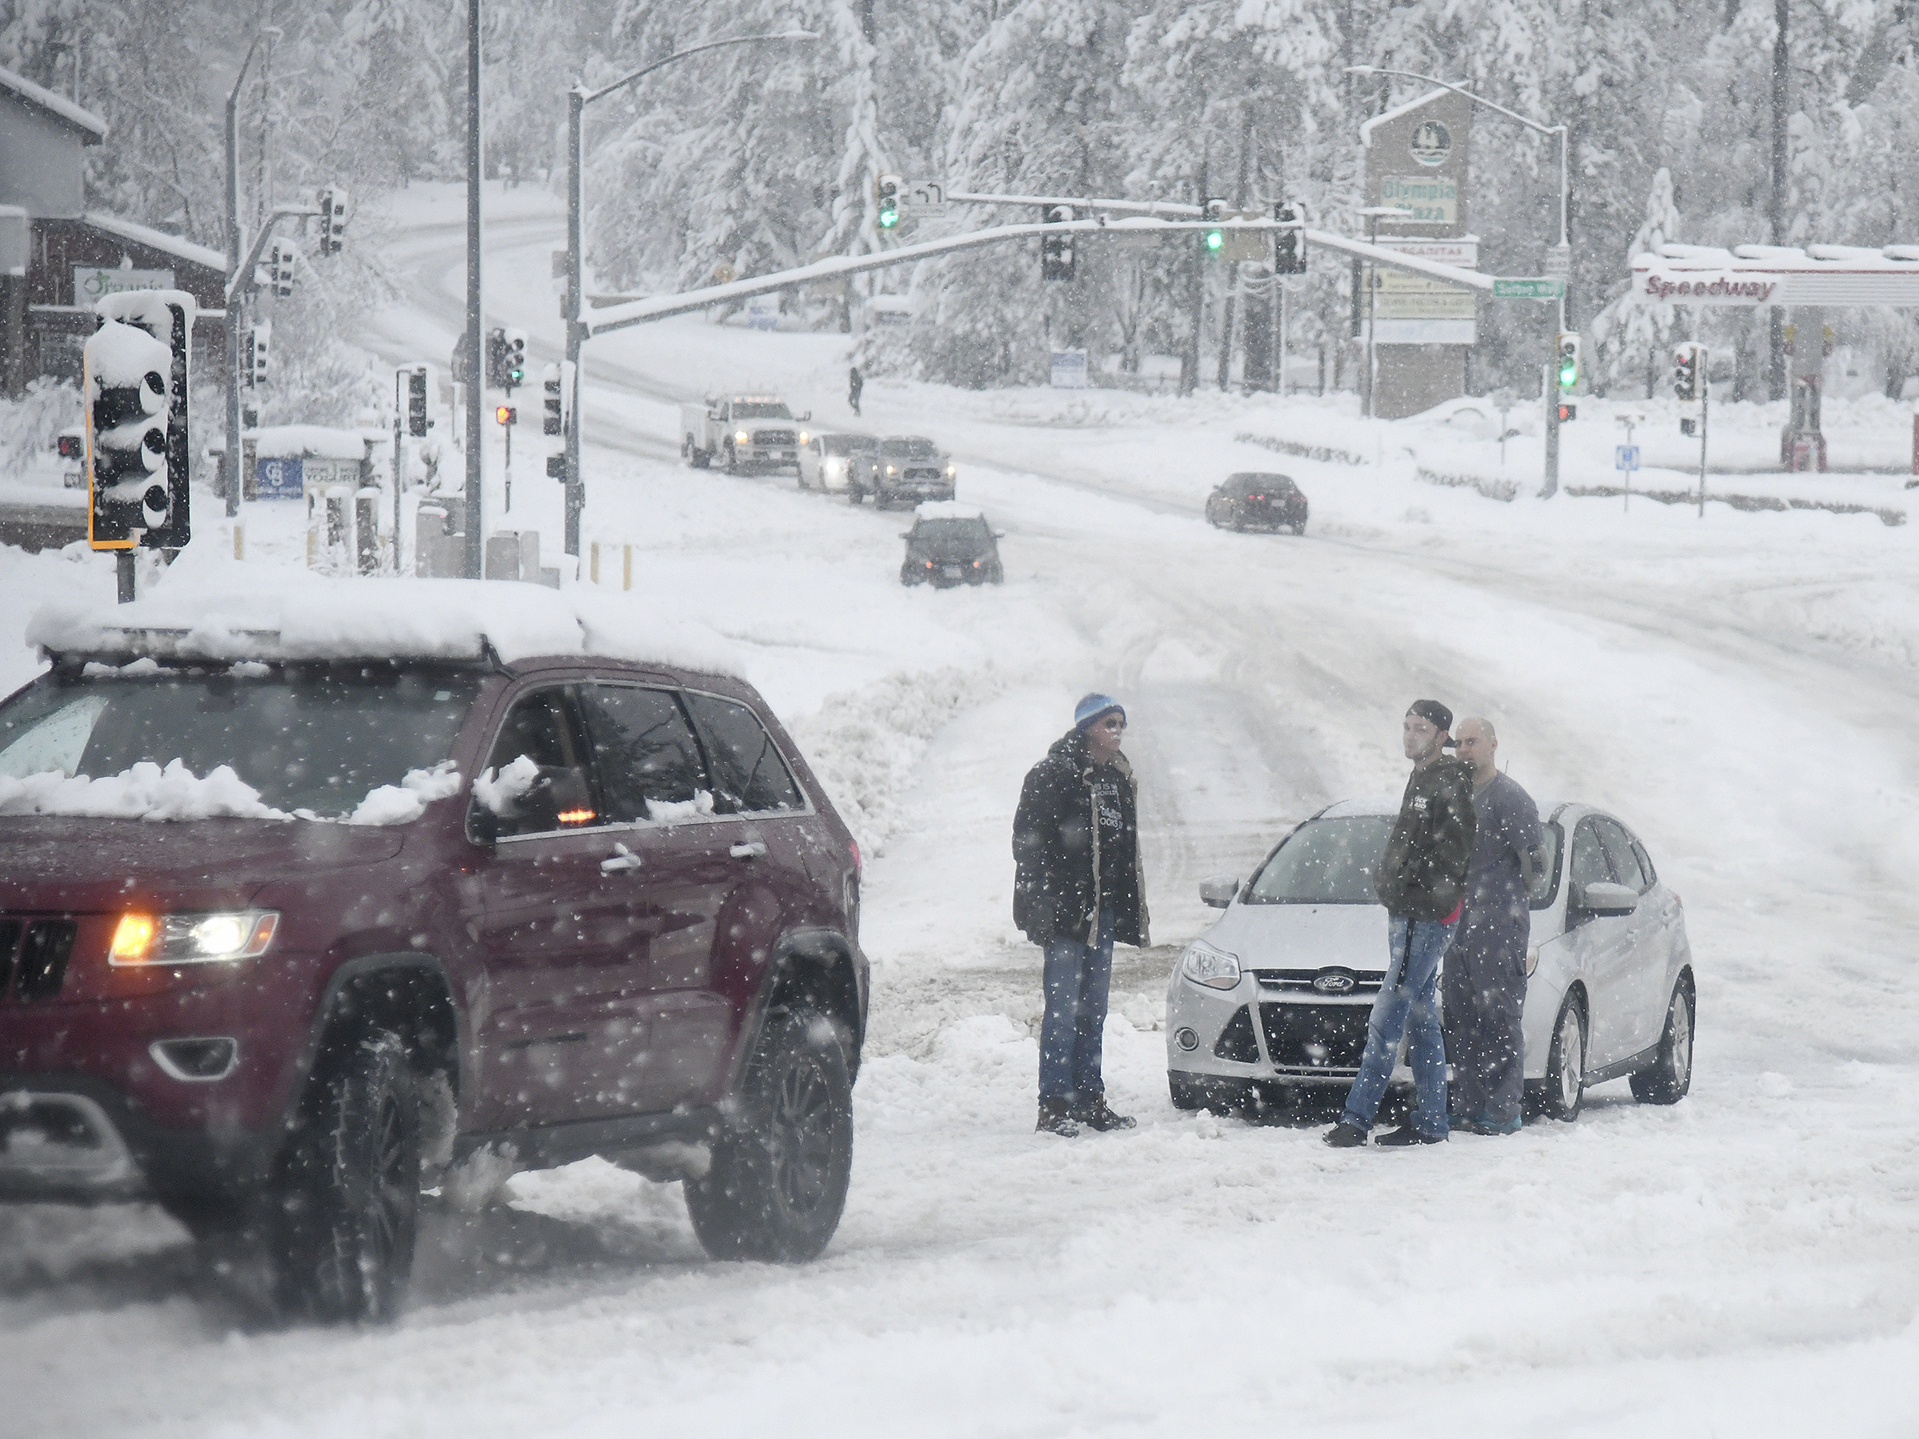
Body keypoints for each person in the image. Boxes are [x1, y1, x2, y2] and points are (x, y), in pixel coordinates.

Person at [1324, 699, 1475, 1149]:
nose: (1410, 735)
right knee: (1423, 1020)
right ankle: (1431, 1122)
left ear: (1441, 736)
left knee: (1387, 1019)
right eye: (1407, 726)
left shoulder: (1450, 784)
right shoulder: (1422, 778)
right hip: (1408, 914)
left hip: (1424, 919)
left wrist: (1419, 894)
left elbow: (1456, 855)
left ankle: (1356, 1119)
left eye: (1421, 728)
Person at [1013, 694, 1149, 1137]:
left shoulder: (1116, 778)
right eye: (1109, 722)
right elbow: (1027, 843)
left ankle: (1089, 1099)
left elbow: (1123, 850)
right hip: (1067, 913)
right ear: (1087, 727)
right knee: (1062, 1011)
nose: (1117, 730)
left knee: (1095, 1010)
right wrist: (1042, 903)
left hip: (1102, 913)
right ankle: (1053, 1104)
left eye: (1120, 723)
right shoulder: (1053, 774)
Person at [1443, 718, 1543, 1136]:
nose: (1464, 749)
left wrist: (1503, 904)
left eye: (1472, 742)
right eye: (1459, 743)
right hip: (1455, 925)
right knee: (1460, 1016)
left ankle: (1503, 1111)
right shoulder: (1453, 796)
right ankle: (1467, 1104)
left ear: (1493, 745)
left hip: (1498, 926)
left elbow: (1534, 867)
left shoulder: (1511, 799)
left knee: (1499, 1015)